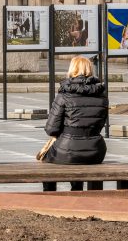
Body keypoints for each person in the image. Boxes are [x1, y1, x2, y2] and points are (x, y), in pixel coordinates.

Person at [42, 55, 108, 191]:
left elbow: (51, 129)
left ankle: (49, 195)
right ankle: (77, 191)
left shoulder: (64, 95)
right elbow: (100, 124)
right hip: (95, 151)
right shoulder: (101, 95)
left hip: (67, 150)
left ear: (72, 70)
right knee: (75, 155)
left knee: (47, 159)